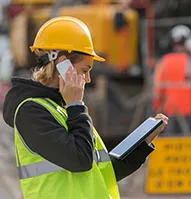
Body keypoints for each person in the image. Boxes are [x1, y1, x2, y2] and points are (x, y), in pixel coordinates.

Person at [3, 16, 168, 199]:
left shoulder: (63, 109)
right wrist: (76, 105)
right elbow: (81, 160)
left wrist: (142, 146)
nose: (88, 79)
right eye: (84, 70)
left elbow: (101, 172)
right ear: (62, 64)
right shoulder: (31, 112)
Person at [153, 25, 191, 134]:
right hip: (187, 111)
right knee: (185, 143)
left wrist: (157, 109)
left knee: (169, 142)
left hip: (169, 111)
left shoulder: (164, 62)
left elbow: (158, 90)